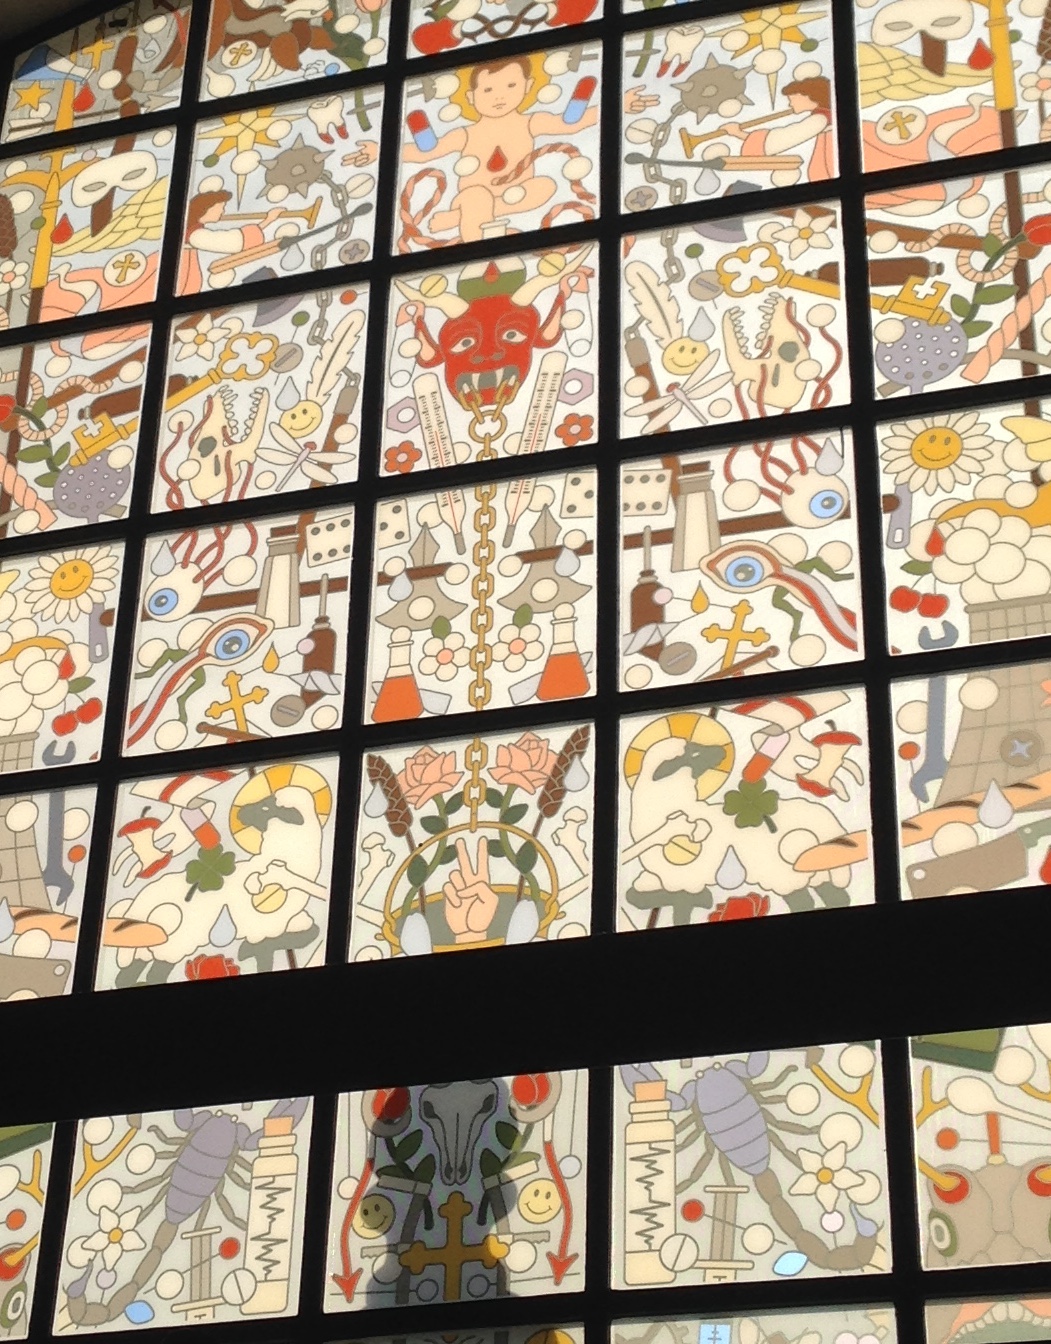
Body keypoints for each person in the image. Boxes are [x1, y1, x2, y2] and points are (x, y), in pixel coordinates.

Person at [402, 55, 598, 242]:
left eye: (511, 86)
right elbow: (427, 152)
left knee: (545, 185)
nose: (499, 97)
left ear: (528, 86)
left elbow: (567, 124)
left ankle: (460, 217)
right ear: (471, 96)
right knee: (478, 196)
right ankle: (477, 246)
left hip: (517, 192)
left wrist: (610, 103)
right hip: (470, 198)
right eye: (488, 90)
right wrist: (388, 148)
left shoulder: (530, 122)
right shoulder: (465, 134)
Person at [721, 76, 834, 184]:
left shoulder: (820, 119)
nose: (790, 104)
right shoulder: (822, 118)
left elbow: (782, 138)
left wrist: (738, 133)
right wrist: (738, 133)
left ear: (807, 96)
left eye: (792, 99)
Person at [178, 189, 286, 293]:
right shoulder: (195, 235)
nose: (223, 211)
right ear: (208, 208)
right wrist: (268, 220)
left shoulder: (193, 232)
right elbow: (233, 241)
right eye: (221, 207)